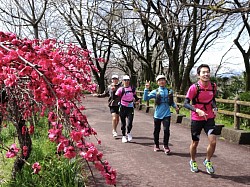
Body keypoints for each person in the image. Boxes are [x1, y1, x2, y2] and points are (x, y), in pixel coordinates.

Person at [184, 64, 218, 174]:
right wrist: (196, 110)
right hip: (196, 119)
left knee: (213, 142)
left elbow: (212, 99)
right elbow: (185, 103)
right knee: (195, 143)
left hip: (209, 118)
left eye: (208, 72)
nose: (206, 74)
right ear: (198, 75)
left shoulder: (213, 86)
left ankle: (207, 160)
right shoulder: (194, 88)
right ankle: (192, 161)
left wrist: (214, 108)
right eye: (203, 72)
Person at [143, 75, 179, 154]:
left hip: (167, 113)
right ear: (157, 82)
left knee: (166, 130)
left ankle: (166, 146)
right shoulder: (155, 91)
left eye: (163, 80)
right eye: (160, 80)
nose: (162, 81)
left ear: (165, 81)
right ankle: (156, 144)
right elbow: (145, 98)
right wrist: (146, 89)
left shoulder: (169, 91)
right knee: (157, 130)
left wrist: (176, 107)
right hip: (158, 114)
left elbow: (171, 101)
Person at [115, 75, 140, 143]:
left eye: (128, 80)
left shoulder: (132, 88)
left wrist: (137, 100)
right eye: (125, 80)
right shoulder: (120, 89)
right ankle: (123, 136)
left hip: (130, 107)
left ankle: (128, 133)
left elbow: (135, 96)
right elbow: (115, 97)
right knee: (123, 123)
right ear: (123, 81)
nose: (126, 81)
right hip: (123, 107)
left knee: (130, 123)